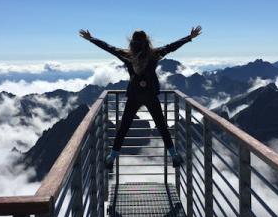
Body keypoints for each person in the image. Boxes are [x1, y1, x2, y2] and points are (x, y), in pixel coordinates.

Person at [79, 26, 202, 169]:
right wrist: (189, 37)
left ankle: (111, 157)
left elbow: (109, 48)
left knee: (123, 128)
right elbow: (172, 47)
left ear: (132, 42)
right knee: (162, 127)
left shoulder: (127, 55)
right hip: (150, 96)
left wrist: (91, 39)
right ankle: (174, 156)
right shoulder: (154, 54)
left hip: (134, 96)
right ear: (147, 41)